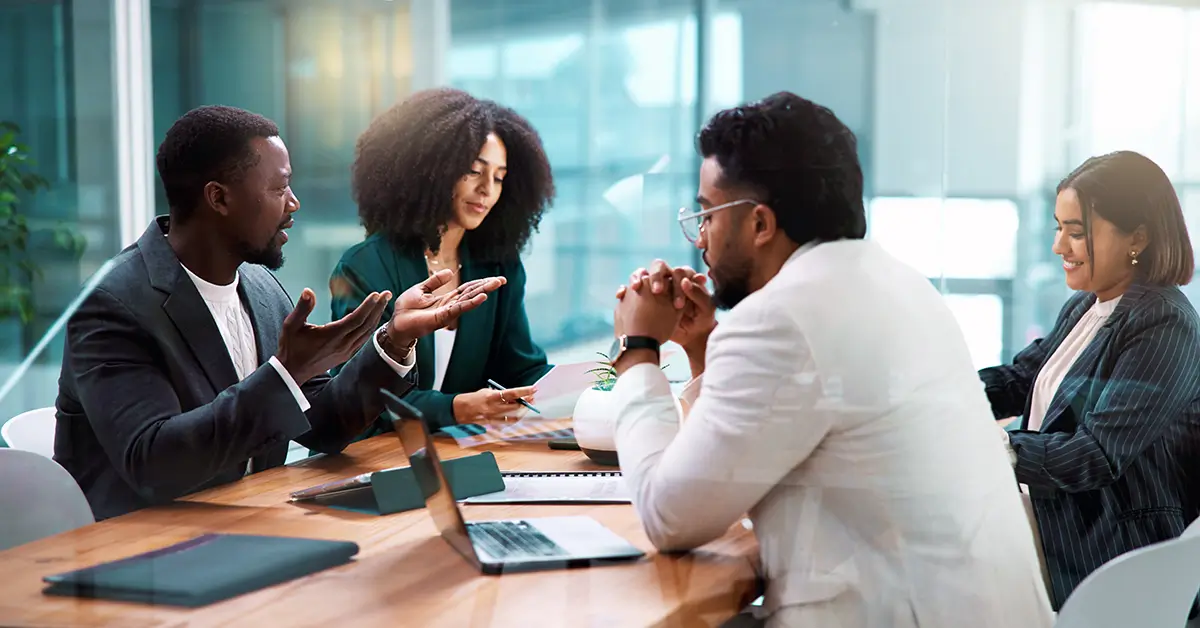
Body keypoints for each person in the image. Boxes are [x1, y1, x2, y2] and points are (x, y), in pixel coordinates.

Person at [608, 92, 1053, 627]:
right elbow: (741, 458)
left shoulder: (781, 318)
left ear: (760, 223)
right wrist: (704, 347)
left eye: (706, 215)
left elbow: (668, 516)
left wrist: (637, 350)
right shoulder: (897, 283)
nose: (700, 239)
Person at [54, 105, 504, 520]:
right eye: (278, 187)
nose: (293, 203)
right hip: (139, 548)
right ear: (219, 198)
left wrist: (394, 340)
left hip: (252, 522)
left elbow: (324, 426)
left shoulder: (261, 288)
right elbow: (153, 463)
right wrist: (285, 374)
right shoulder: (113, 305)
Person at [981, 150, 1200, 610]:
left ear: (1137, 237)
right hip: (1056, 524)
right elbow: (1020, 379)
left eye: (1076, 232)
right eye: (1058, 229)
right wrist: (942, 391)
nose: (1060, 247)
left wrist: (991, 449)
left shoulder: (1165, 323)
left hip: (1109, 549)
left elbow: (1096, 453)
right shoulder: (1088, 307)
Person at [329, 87, 555, 435]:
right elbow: (361, 394)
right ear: (432, 169)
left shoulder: (498, 265)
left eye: (499, 177)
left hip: (452, 453)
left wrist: (600, 383)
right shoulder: (366, 266)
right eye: (474, 171)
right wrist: (457, 408)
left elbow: (521, 369)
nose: (487, 189)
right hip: (370, 456)